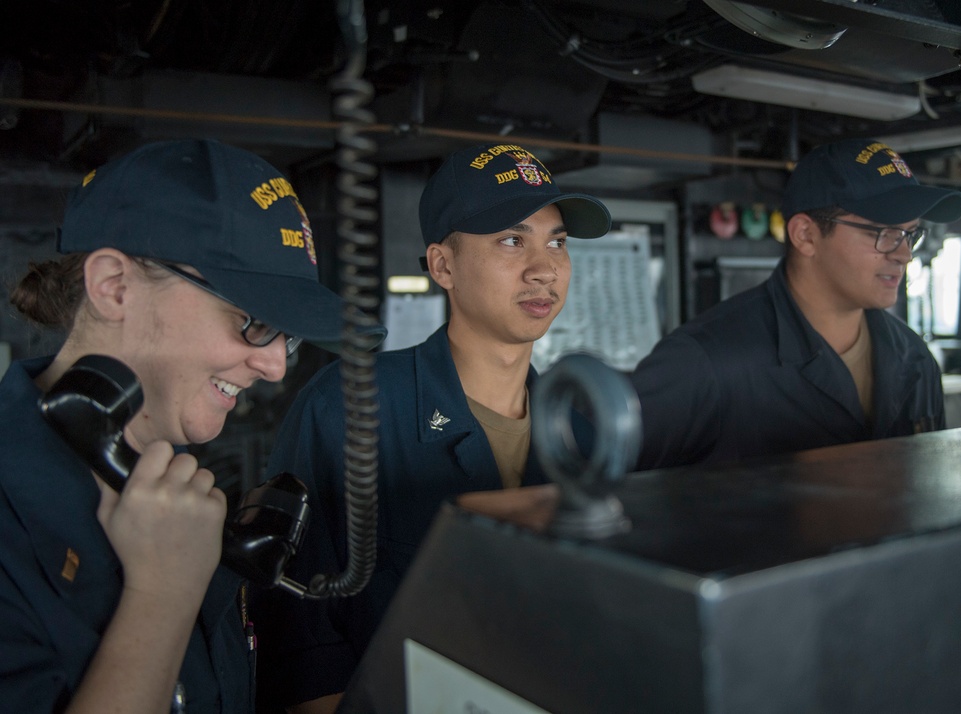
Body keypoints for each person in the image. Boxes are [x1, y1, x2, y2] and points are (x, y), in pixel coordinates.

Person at [0, 138, 379, 713]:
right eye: (251, 320)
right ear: (114, 287)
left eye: (288, 335)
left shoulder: (177, 490)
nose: (275, 365)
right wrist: (160, 597)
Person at [252, 142, 611, 713]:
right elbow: (300, 645)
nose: (545, 268)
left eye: (558, 243)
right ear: (444, 265)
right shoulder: (352, 408)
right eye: (512, 240)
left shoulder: (581, 433)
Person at [630, 138, 961, 470]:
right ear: (805, 234)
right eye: (883, 232)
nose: (904, 254)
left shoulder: (915, 359)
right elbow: (604, 494)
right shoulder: (705, 363)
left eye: (910, 234)